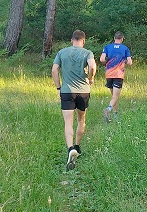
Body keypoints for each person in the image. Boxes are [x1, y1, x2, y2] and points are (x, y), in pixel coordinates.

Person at [52, 30, 97, 170]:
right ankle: (77, 146)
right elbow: (93, 66)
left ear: (72, 40)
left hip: (67, 91)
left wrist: (58, 87)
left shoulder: (62, 52)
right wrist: (90, 78)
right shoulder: (87, 53)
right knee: (81, 120)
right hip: (83, 91)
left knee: (68, 122)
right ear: (83, 41)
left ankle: (70, 148)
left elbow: (54, 70)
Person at [100, 31, 133, 123]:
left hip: (109, 74)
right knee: (115, 96)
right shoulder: (125, 48)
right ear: (122, 39)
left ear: (114, 38)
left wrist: (108, 62)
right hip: (118, 74)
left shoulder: (107, 47)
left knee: (113, 96)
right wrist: (124, 61)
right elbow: (130, 62)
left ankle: (115, 114)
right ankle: (108, 109)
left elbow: (102, 59)